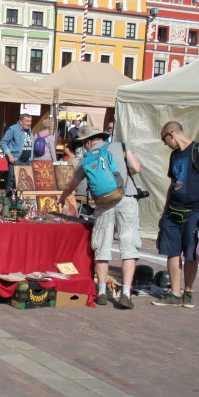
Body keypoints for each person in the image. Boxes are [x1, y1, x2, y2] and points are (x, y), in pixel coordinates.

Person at [59, 124, 142, 309]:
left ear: (88, 141)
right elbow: (136, 167)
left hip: (103, 202)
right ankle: (126, 293)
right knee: (128, 245)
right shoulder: (120, 147)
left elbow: (74, 182)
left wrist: (64, 197)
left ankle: (102, 291)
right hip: (126, 196)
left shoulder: (87, 157)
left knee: (102, 245)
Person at [153, 121, 199, 309]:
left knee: (191, 254)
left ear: (171, 133)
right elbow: (173, 185)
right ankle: (175, 293)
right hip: (173, 210)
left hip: (194, 211)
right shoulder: (175, 156)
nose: (166, 144)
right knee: (172, 251)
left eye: (165, 139)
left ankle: (188, 291)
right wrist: (164, 212)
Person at [1, 113, 34, 194]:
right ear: (20, 121)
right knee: (12, 184)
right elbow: (3, 142)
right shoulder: (13, 129)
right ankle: (8, 204)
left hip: (27, 162)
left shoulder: (29, 131)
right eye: (26, 121)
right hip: (16, 160)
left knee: (24, 185)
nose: (28, 123)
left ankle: (21, 204)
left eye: (30, 121)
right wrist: (10, 155)